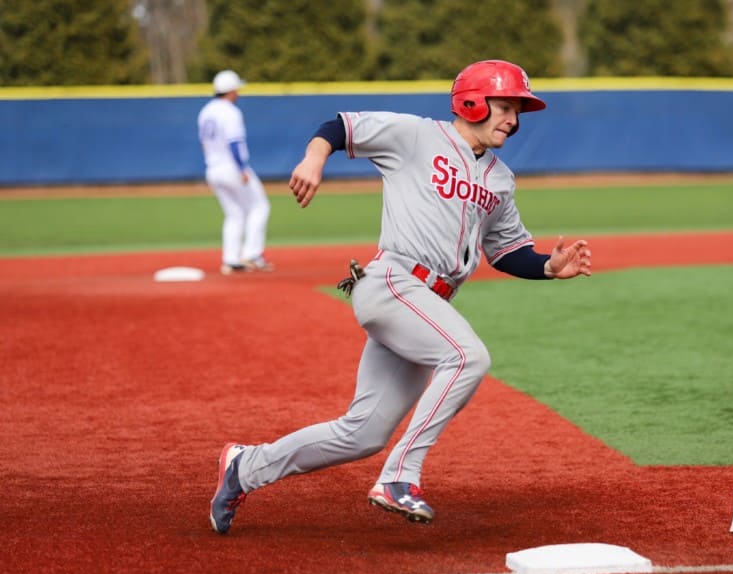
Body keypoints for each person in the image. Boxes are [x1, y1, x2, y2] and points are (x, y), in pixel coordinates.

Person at [209, 60, 592, 533]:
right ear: (472, 101)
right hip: (393, 282)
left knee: (363, 432)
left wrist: (549, 268)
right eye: (506, 106)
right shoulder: (416, 136)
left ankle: (245, 467)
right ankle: (399, 477)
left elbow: (508, 251)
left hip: (427, 303)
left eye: (519, 111)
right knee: (467, 356)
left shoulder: (499, 179)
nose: (514, 120)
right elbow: (340, 126)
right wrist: (314, 158)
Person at [197, 69, 274, 275]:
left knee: (234, 213)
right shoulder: (230, 112)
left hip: (212, 168)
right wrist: (241, 168)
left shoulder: (206, 111)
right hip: (231, 167)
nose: (238, 93)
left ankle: (231, 259)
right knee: (259, 206)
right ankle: (252, 255)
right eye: (236, 89)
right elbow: (234, 142)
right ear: (230, 91)